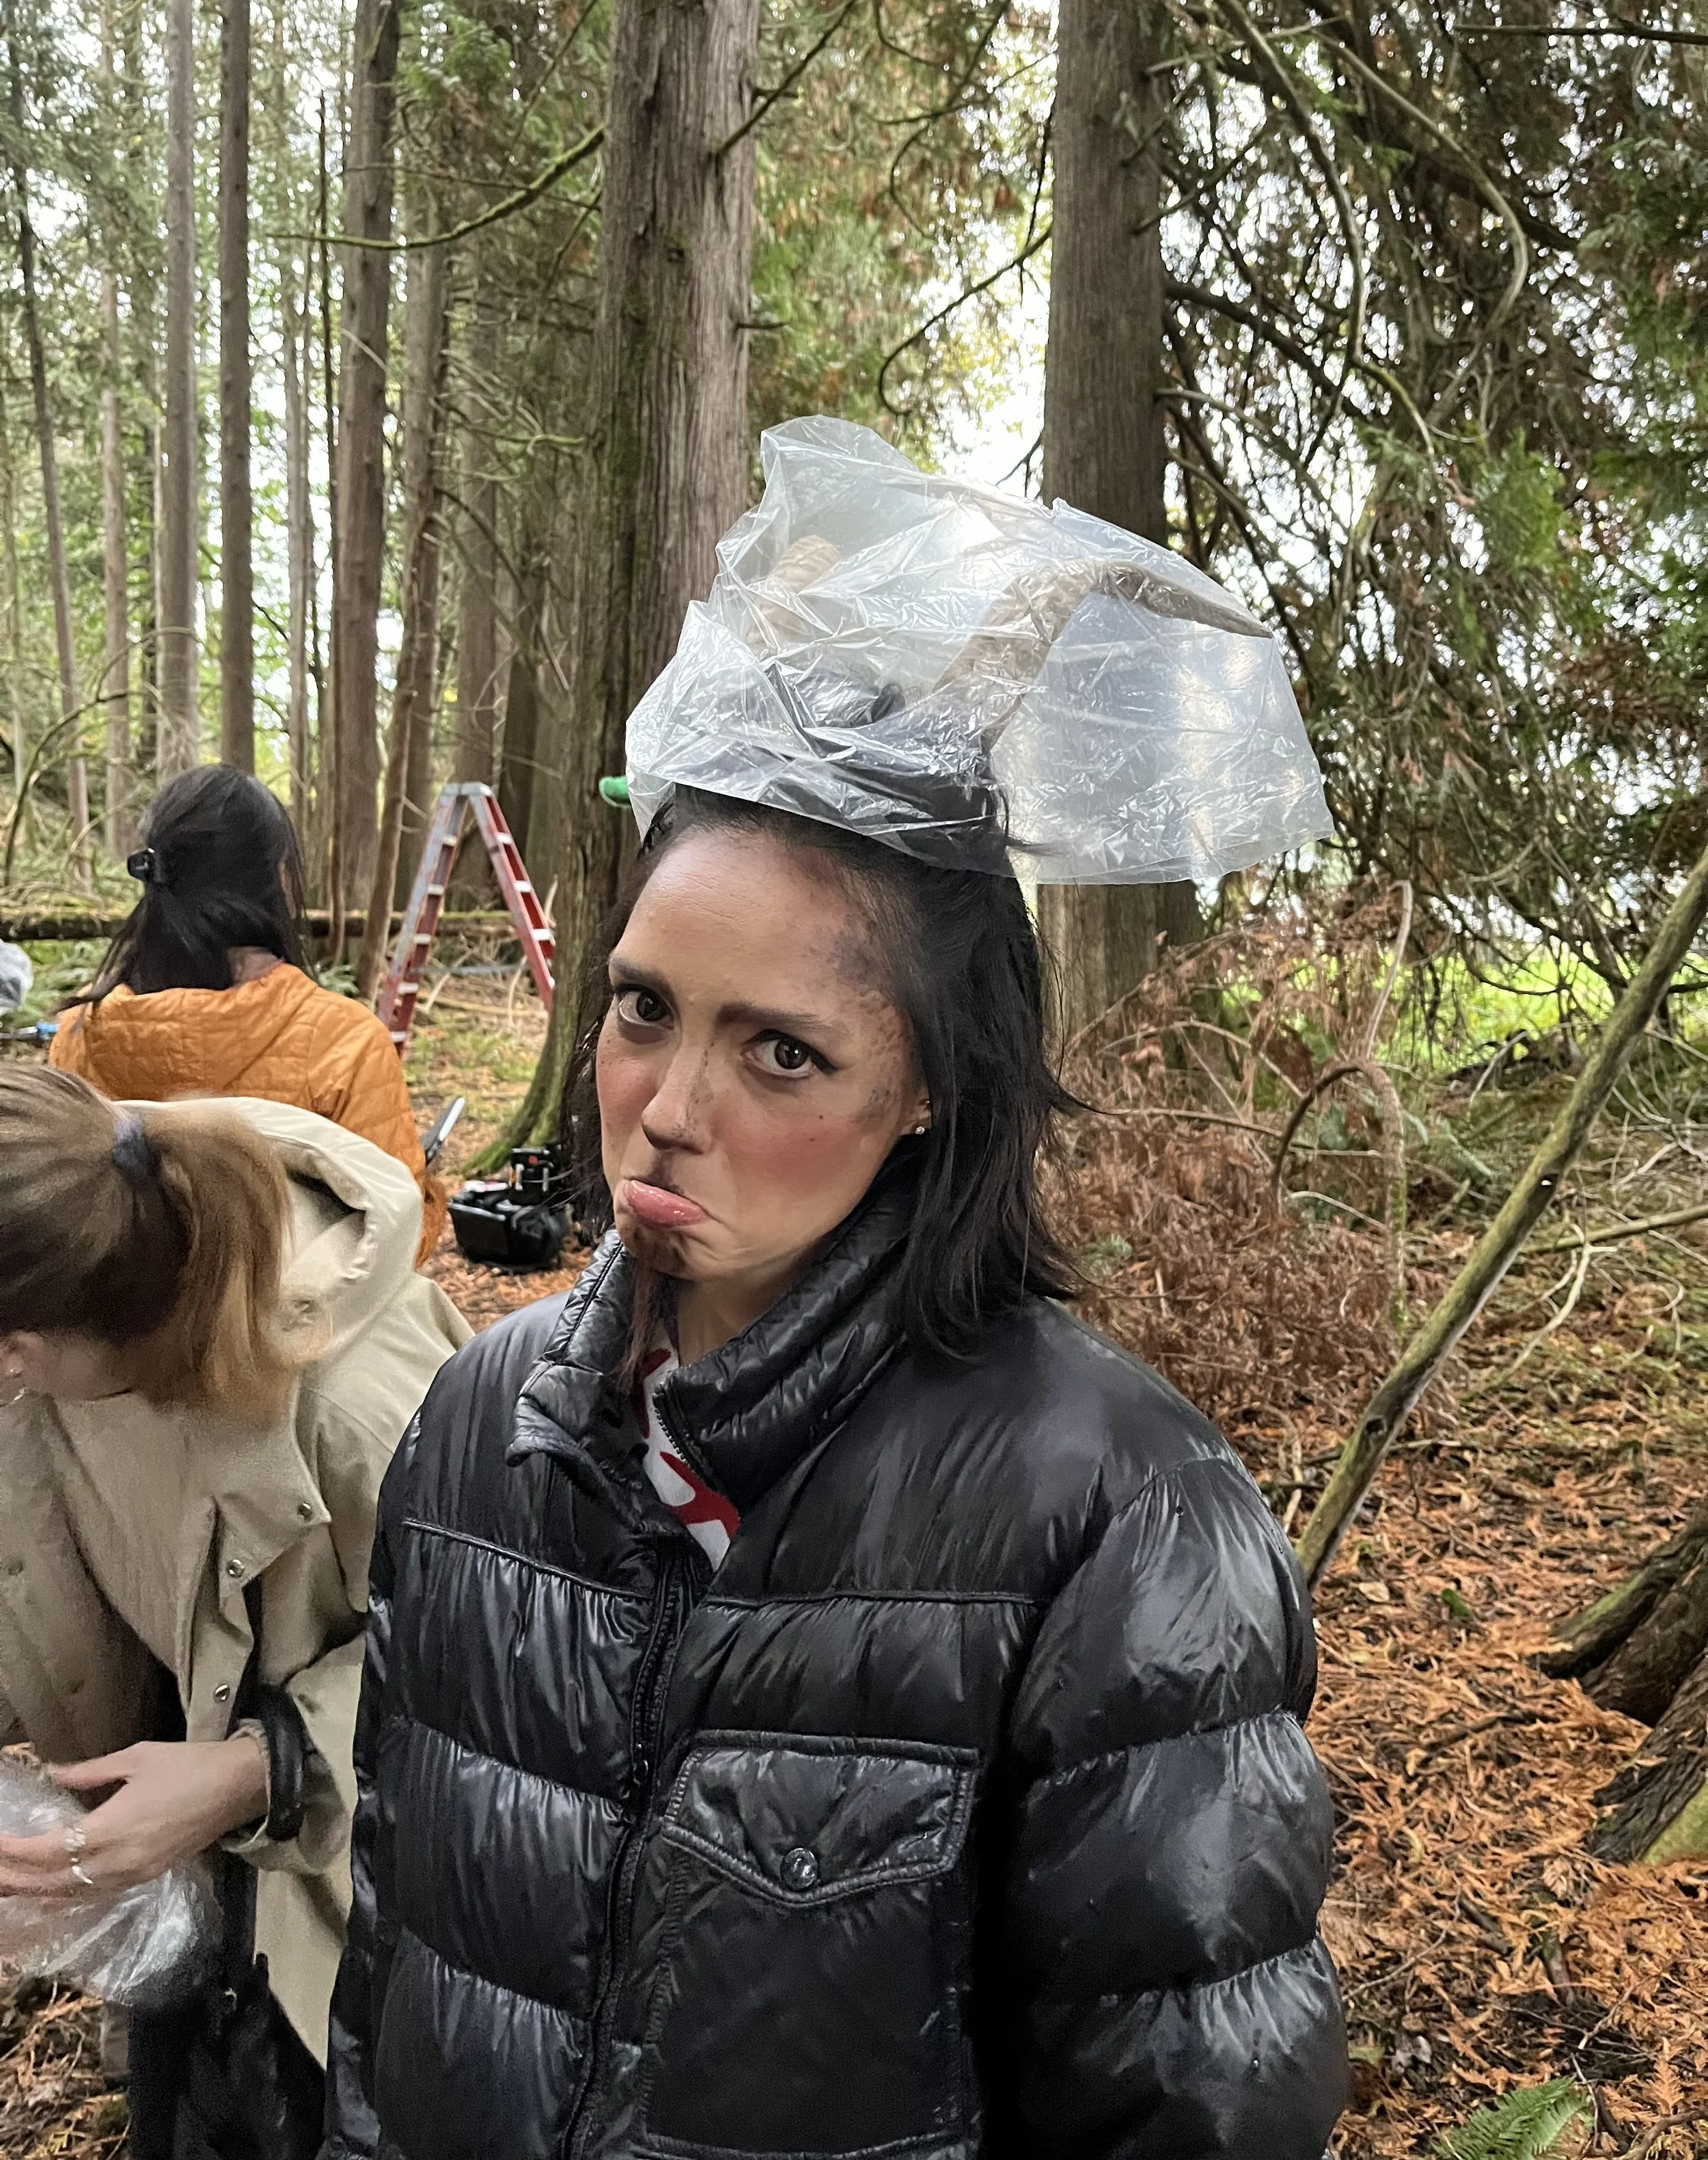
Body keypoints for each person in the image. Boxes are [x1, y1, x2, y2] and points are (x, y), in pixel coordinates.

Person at [324, 424, 1347, 2159]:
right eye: (642, 1008)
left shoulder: (1110, 1517)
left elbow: (1189, 2101)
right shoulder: (476, 1430)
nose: (670, 1106)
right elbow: (397, 1976)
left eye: (780, 1051)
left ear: (930, 1086)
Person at [0, 1069, 469, 2157]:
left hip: (350, 1924)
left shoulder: (362, 1402)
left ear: (22, 1341)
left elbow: (510, 1675)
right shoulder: (52, 1360)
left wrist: (260, 1768)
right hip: (189, 1901)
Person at [49, 763, 447, 1257]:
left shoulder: (78, 1034)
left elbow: (59, 1222)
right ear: (280, 877)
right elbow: (400, 1234)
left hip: (118, 1328)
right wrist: (430, 1192)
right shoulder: (345, 1043)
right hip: (304, 1329)